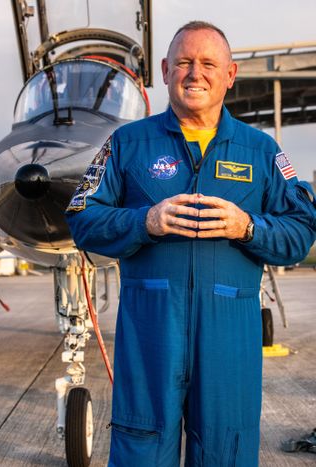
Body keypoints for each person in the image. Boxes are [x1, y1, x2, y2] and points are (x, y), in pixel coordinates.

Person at [66, 21, 316, 467]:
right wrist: (145, 220)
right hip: (150, 335)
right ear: (164, 70)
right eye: (183, 62)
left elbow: (300, 231)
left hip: (230, 339)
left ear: (230, 74)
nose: (194, 73)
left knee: (227, 451)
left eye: (207, 64)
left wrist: (248, 227)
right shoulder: (127, 144)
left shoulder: (261, 151)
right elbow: (83, 219)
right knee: (140, 446)